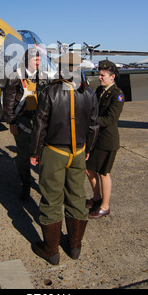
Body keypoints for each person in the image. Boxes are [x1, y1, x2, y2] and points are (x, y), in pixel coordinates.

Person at [29, 53, 99, 265]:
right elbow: (94, 125)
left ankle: (51, 250)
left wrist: (34, 152)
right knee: (77, 197)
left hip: (54, 152)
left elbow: (39, 125)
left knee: (51, 199)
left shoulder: (50, 91)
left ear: (60, 68)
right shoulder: (88, 92)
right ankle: (75, 247)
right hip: (78, 152)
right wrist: (88, 149)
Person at [86, 60, 125, 219]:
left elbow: (110, 119)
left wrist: (89, 119)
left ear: (112, 76)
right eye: (99, 75)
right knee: (89, 169)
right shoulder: (99, 90)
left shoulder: (117, 94)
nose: (100, 78)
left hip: (107, 140)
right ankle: (96, 198)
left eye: (102, 75)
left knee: (103, 173)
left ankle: (104, 206)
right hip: (96, 138)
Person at [3, 48, 43, 202]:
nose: (38, 63)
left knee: (42, 155)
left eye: (39, 60)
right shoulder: (15, 76)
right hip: (22, 122)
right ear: (28, 61)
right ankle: (25, 184)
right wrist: (11, 122)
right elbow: (8, 101)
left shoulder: (41, 76)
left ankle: (44, 185)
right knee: (23, 156)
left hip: (39, 123)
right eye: (35, 60)